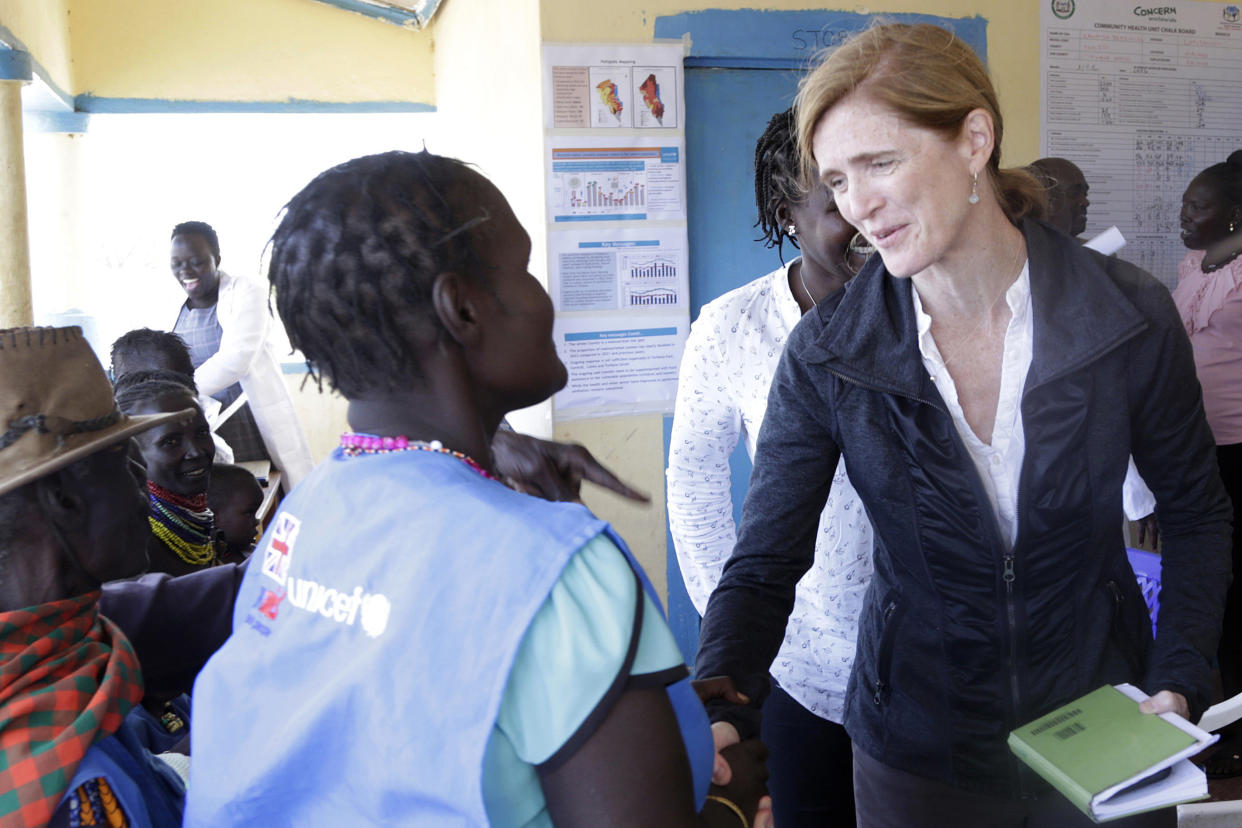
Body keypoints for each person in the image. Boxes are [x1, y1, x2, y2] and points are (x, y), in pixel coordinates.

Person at [694, 23, 1231, 828]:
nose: (858, 207)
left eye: (881, 163)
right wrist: (720, 699)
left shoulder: (1125, 314)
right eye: (838, 179)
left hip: (1106, 729)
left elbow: (1195, 511)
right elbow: (766, 560)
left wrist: (1180, 673)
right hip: (918, 752)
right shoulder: (831, 352)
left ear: (974, 139)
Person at [184, 150, 772, 826]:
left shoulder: (305, 512)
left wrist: (659, 710)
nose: (542, 295)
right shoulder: (559, 566)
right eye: (523, 270)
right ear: (462, 310)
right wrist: (727, 807)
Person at [668, 107, 872, 826]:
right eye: (838, 198)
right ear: (787, 212)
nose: (868, 217)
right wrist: (732, 622)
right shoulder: (733, 327)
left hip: (931, 665)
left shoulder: (928, 308)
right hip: (798, 660)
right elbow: (693, 471)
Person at [0, 325, 187, 826]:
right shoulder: (74, 791)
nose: (142, 483)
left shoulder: (71, 654)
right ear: (63, 500)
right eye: (123, 463)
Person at [1173, 150, 1242, 777]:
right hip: (1198, 447)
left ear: (1234, 214)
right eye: (1184, 205)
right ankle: (1219, 716)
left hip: (1241, 446)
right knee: (1210, 580)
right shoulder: (1194, 264)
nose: (1185, 217)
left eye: (1199, 206)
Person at [169, 220, 313, 489]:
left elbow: (237, 359)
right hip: (200, 429)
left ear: (217, 259)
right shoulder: (171, 307)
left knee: (258, 499)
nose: (185, 270)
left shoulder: (247, 291)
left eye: (196, 261)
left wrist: (176, 394)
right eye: (177, 263)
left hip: (247, 421)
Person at [116, 374, 223, 576]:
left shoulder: (196, 514)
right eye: (170, 442)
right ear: (132, 452)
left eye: (201, 433)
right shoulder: (134, 544)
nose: (196, 452)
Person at [111, 328, 235, 464]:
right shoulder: (108, 455)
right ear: (118, 384)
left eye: (186, 378)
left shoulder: (216, 456)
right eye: (139, 382)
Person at [206, 462, 263, 563]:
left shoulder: (255, 555)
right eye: (249, 513)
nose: (256, 522)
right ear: (213, 517)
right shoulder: (203, 570)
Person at [1027, 157, 1090, 239]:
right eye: (1075, 194)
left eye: (1085, 194)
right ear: (1043, 201)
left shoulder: (1082, 249)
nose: (1086, 202)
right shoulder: (1020, 249)